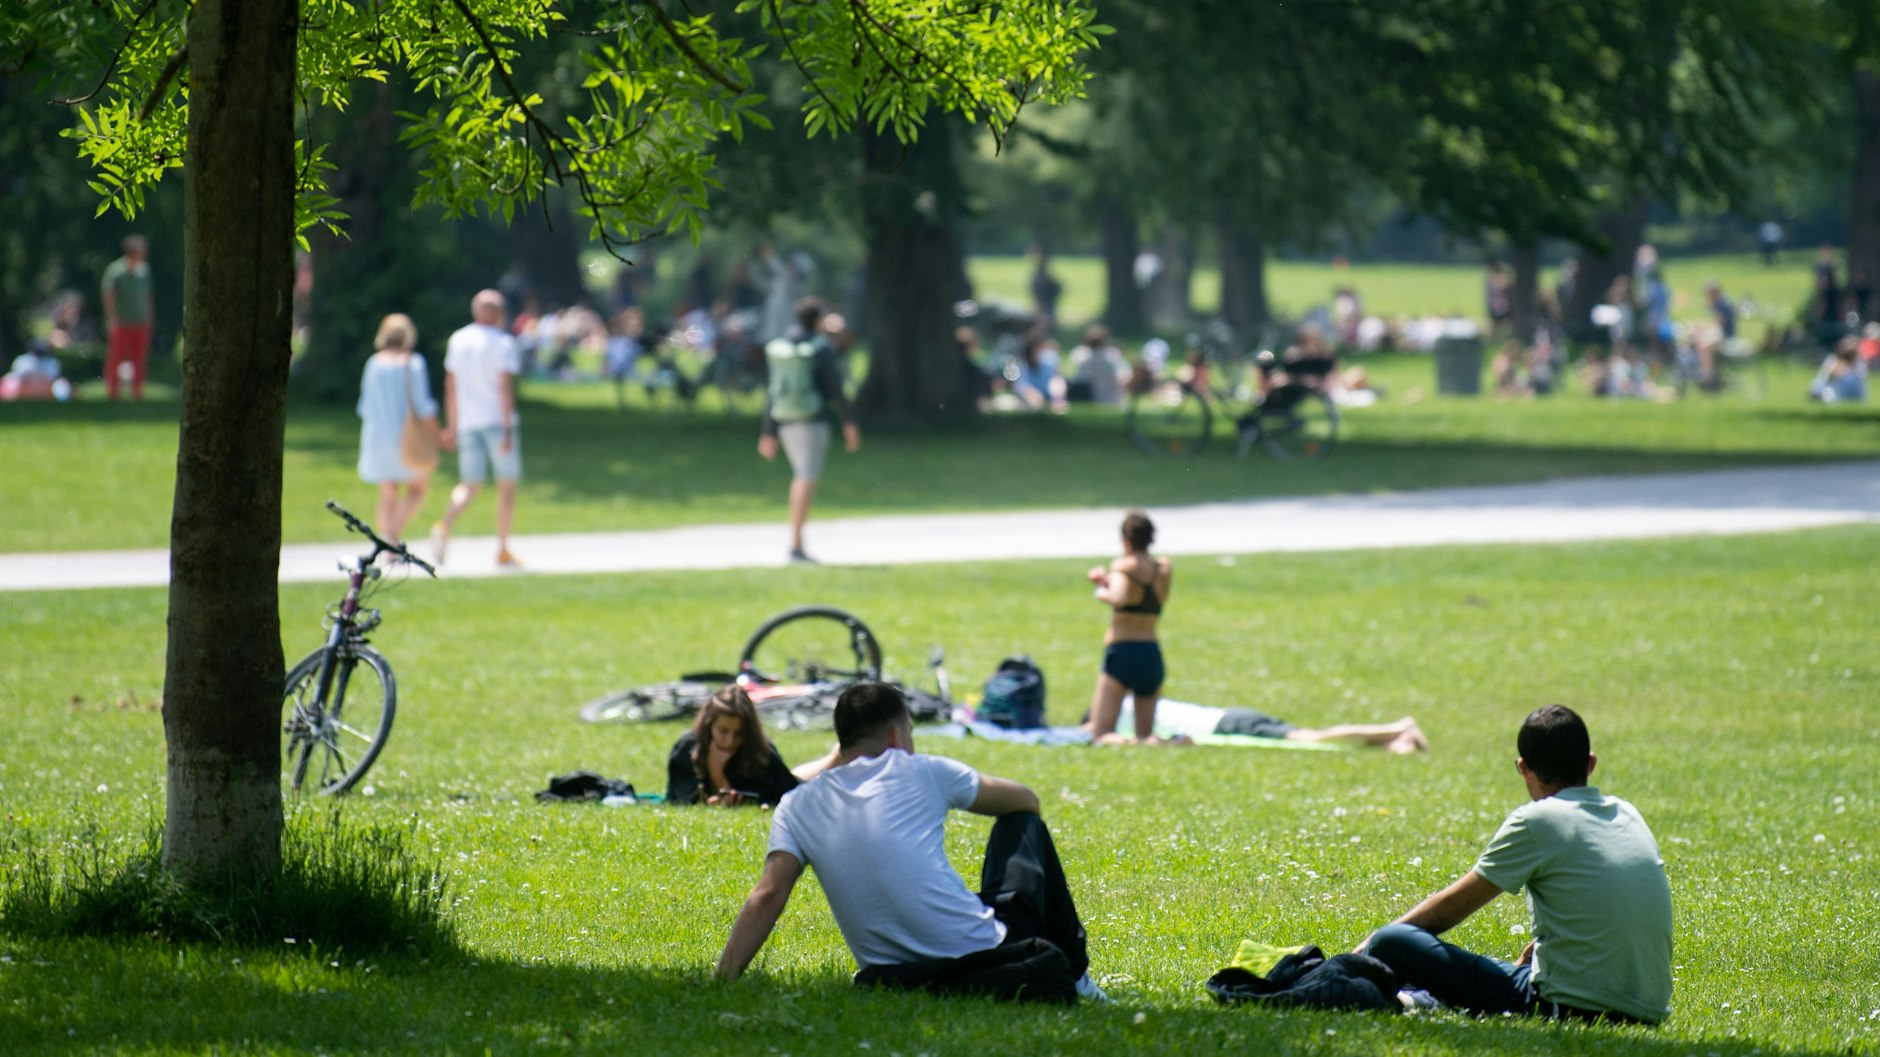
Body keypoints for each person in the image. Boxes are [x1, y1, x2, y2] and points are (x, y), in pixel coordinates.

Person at [715, 682, 1104, 1003]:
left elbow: (769, 894)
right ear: (896, 735)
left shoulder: (796, 804)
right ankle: (1079, 974)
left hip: (891, 975)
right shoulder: (922, 769)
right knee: (1021, 824)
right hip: (984, 953)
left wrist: (722, 979)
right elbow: (1025, 801)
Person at [1359, 704, 1672, 1025]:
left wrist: (1363, 950)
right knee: (1484, 967)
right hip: (1647, 1011)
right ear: (1590, 763)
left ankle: (1375, 985)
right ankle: (1419, 995)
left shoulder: (1538, 820)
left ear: (1524, 768)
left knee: (1393, 942)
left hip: (1568, 1007)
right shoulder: (1627, 813)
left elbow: (1447, 911)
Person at [759, 296, 859, 563]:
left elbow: (772, 391)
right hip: (812, 421)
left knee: (802, 475)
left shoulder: (781, 348)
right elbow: (836, 388)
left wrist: (767, 431)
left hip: (785, 422)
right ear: (817, 320)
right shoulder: (820, 348)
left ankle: (798, 541)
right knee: (805, 477)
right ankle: (796, 543)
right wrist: (849, 423)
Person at [431, 289, 523, 568]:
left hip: (468, 421)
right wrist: (507, 429)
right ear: (499, 313)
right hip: (497, 421)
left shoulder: (459, 340)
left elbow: (451, 386)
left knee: (470, 484)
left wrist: (452, 424)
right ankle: (503, 547)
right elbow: (505, 387)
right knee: (506, 487)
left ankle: (444, 524)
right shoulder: (503, 343)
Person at [1083, 510, 1174, 745]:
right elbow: (1144, 597)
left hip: (1123, 652)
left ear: (1125, 539)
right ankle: (1173, 743)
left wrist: (1100, 589)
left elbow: (1119, 598)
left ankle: (1126, 743)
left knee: (1100, 733)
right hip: (1151, 651)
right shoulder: (1163, 568)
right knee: (1145, 735)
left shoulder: (1123, 566)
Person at [355, 314, 443, 541]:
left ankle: (386, 542)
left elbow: (364, 406)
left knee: (387, 493)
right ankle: (391, 536)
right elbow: (423, 407)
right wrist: (438, 435)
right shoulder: (412, 363)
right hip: (406, 436)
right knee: (417, 489)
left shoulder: (373, 363)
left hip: (377, 435)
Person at [1109, 698, 1429, 754]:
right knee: (1310, 737)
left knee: (1310, 738)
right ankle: (1397, 743)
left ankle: (1398, 728)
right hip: (1231, 717)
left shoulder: (1124, 716)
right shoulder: (1139, 701)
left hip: (1228, 725)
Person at [666, 685, 802, 807]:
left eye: (739, 733)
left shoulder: (761, 752)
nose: (730, 741)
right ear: (709, 725)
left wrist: (719, 776)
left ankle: (825, 761)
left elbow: (790, 792)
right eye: (722, 731)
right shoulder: (687, 749)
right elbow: (680, 798)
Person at [100, 234, 155, 401]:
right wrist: (112, 319)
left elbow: (147, 296)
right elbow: (109, 296)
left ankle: (137, 394)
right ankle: (113, 393)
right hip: (121, 323)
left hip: (141, 322)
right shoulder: (115, 271)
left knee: (139, 359)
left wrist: (151, 317)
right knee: (115, 358)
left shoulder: (144, 270)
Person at [1809, 338, 1867, 403]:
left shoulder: (1858, 362)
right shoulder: (1833, 361)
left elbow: (1860, 380)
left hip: (1854, 394)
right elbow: (1825, 379)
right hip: (1833, 392)